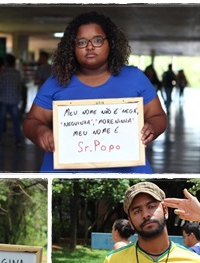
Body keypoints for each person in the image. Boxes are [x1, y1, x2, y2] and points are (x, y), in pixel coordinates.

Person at [23, 12, 167, 173]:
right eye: (81, 42)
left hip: (128, 172)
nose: (90, 47)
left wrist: (152, 127)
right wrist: (40, 132)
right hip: (64, 174)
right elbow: (31, 121)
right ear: (72, 46)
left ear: (110, 43)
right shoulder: (56, 82)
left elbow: (158, 116)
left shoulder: (135, 78)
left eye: (97, 40)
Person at [0, 53, 24, 147]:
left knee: (1, 119)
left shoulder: (2, 73)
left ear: (6, 62)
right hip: (14, 100)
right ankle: (18, 140)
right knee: (16, 121)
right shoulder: (17, 74)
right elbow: (19, 88)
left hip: (3, 100)